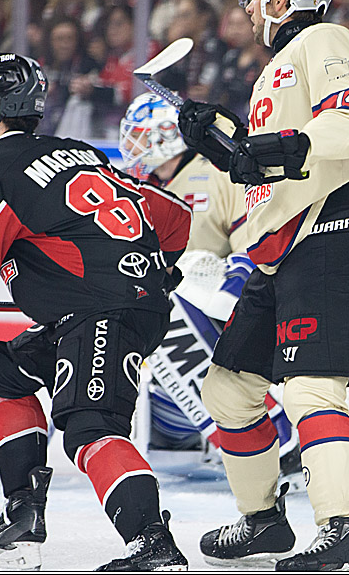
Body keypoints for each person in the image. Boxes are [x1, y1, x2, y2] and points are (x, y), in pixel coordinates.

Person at [0, 53, 193, 571]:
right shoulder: (77, 152)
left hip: (100, 315)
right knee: (3, 370)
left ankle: (153, 544)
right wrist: (151, 271)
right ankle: (22, 511)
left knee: (90, 426)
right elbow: (174, 217)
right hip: (97, 313)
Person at [177, 0, 349, 571]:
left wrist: (280, 145)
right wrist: (222, 143)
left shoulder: (325, 38)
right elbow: (271, 163)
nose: (249, 6)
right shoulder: (276, 70)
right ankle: (264, 522)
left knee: (312, 388)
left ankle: (344, 531)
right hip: (282, 254)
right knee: (229, 392)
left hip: (331, 235)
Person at [118, 93, 303, 477]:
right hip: (166, 300)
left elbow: (253, 245)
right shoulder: (139, 186)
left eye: (139, 135)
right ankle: (176, 432)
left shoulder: (217, 173)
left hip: (218, 306)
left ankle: (276, 439)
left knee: (166, 306)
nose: (131, 146)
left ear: (165, 135)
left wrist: (228, 293)